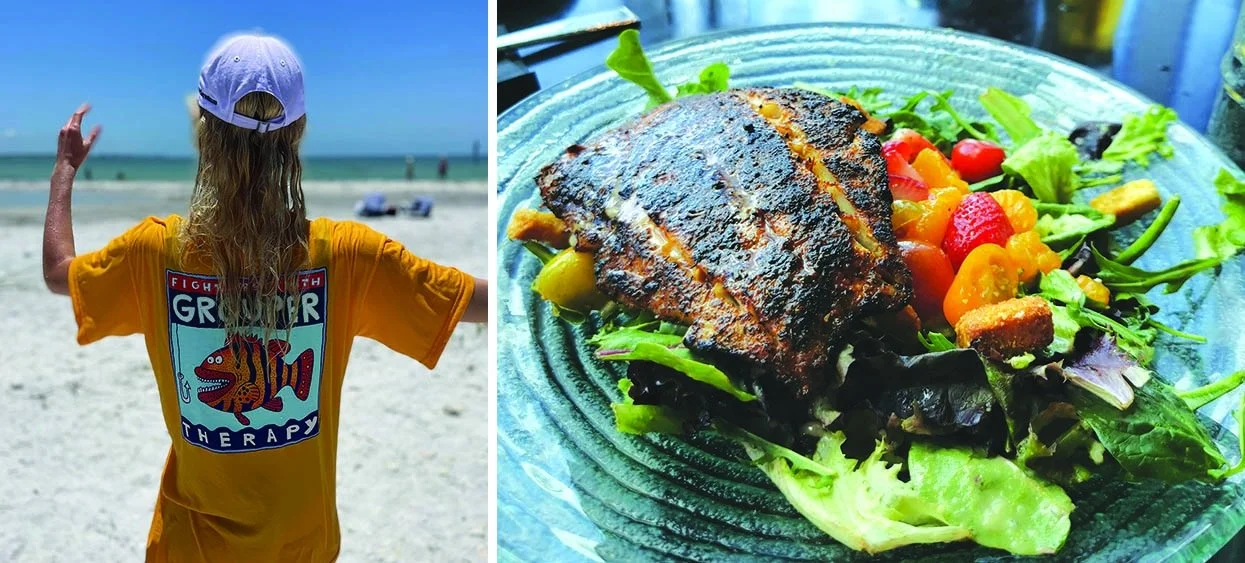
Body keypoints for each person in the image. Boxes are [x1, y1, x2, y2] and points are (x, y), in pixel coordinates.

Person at [41, 33, 487, 562]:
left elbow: (58, 273)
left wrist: (64, 172)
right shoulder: (348, 256)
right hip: (303, 545)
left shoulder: (153, 253)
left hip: (191, 548)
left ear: (201, 133)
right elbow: (470, 302)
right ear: (297, 133)